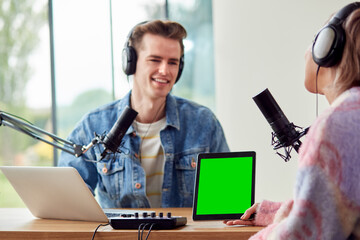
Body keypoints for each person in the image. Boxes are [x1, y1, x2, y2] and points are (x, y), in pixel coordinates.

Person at [58, 20, 229, 209]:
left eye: (173, 62)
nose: (165, 70)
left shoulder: (204, 123)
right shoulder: (93, 125)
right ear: (130, 63)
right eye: (155, 60)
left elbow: (225, 202)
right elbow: (65, 200)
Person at [224, 2, 360, 239]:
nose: (307, 52)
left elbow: (303, 235)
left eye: (314, 41)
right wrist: (275, 212)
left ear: (327, 50)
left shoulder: (338, 124)